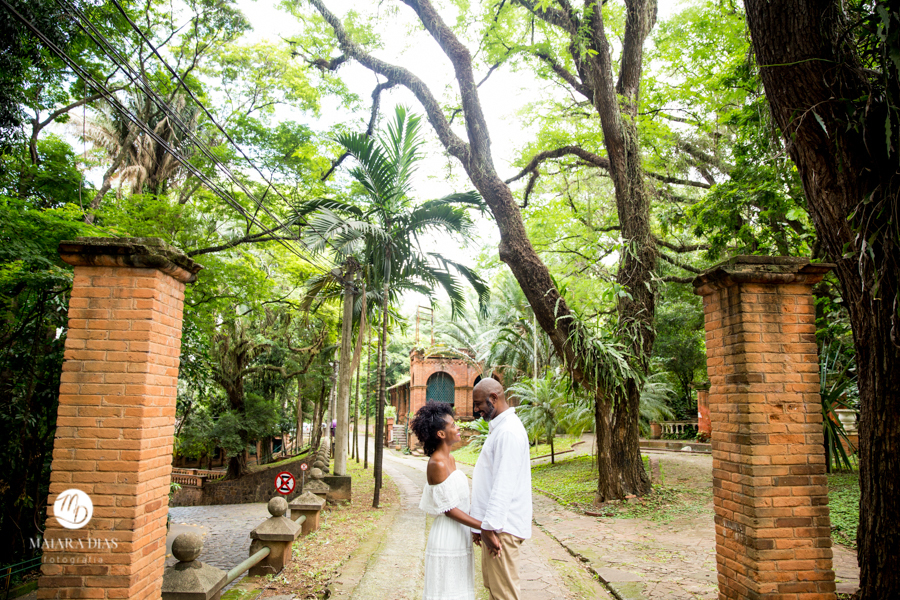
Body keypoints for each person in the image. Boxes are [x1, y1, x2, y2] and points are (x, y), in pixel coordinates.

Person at [411, 402, 482, 600]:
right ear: (441, 434)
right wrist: (482, 526)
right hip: (447, 536)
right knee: (446, 591)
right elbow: (449, 509)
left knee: (459, 589)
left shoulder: (450, 459)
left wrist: (473, 529)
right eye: (452, 425)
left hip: (460, 533)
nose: (458, 427)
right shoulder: (437, 463)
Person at [469, 378, 532, 600]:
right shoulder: (500, 428)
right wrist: (480, 524)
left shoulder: (508, 432)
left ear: (494, 398)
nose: (476, 410)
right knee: (495, 592)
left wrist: (489, 528)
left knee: (504, 595)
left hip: (501, 529)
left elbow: (503, 485)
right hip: (494, 526)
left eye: (479, 404)